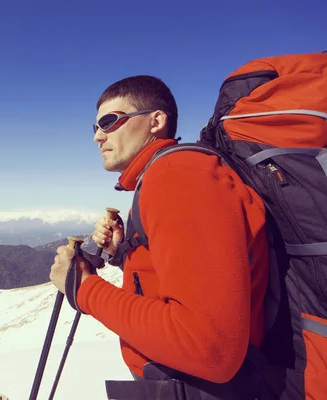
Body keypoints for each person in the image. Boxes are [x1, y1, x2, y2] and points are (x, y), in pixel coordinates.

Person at [49, 75, 270, 398]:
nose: (98, 136)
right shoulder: (164, 176)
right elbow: (182, 283)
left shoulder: (176, 177)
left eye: (110, 122)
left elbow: (209, 346)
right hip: (183, 383)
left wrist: (84, 288)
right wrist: (124, 255)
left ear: (156, 121)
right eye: (95, 127)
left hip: (204, 388)